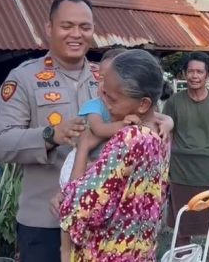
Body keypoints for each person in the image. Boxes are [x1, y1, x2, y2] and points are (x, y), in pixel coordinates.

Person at [0, 0, 97, 262]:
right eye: (67, 26)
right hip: (44, 221)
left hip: (99, 219)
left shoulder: (108, 78)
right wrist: (51, 135)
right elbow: (2, 144)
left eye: (85, 27)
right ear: (49, 29)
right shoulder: (24, 78)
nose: (76, 34)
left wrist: (164, 120)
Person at [57, 48, 174, 260]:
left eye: (112, 99)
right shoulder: (160, 136)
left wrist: (83, 149)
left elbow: (82, 207)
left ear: (143, 104)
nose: (106, 105)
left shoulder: (130, 138)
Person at [164, 52, 209, 262]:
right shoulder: (173, 103)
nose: (194, 76)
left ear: (207, 75)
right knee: (182, 228)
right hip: (180, 174)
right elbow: (167, 139)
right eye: (190, 71)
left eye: (199, 72)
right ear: (184, 74)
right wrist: (165, 171)